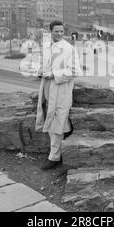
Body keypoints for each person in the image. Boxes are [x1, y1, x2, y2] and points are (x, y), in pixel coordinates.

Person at [35, 20, 82, 170]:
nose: (60, 34)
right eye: (57, 31)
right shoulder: (47, 46)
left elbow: (75, 71)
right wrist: (41, 71)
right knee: (52, 119)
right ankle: (62, 147)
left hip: (61, 90)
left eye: (62, 31)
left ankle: (54, 157)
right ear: (51, 31)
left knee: (57, 122)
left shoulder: (68, 49)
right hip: (48, 88)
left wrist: (53, 75)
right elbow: (45, 64)